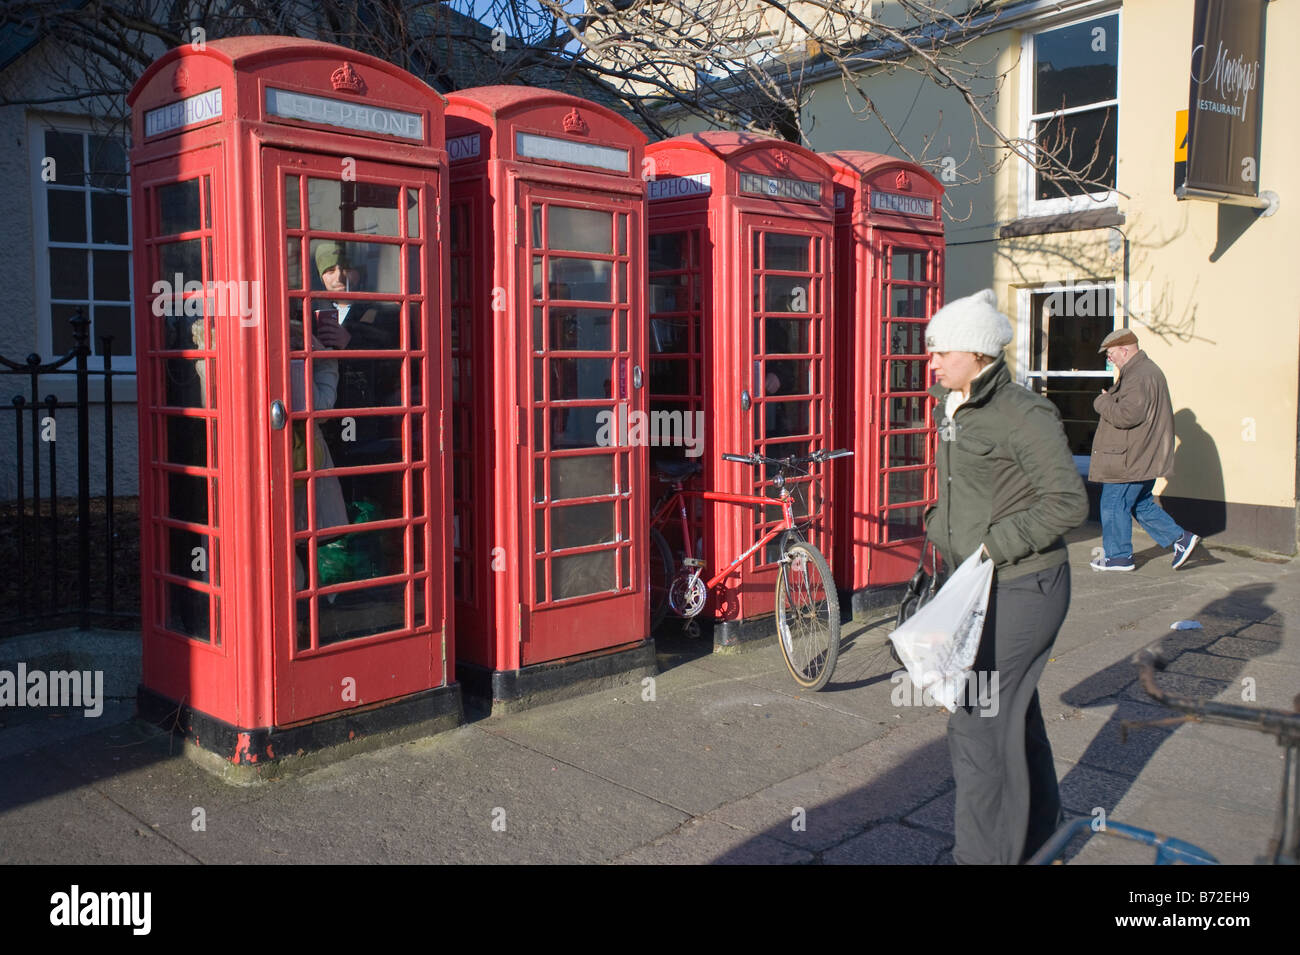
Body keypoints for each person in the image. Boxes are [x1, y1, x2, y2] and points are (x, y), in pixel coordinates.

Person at [923, 288, 1089, 864]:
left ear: (977, 353)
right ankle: (1045, 838)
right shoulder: (955, 405)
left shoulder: (1022, 411)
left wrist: (993, 546)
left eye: (941, 351)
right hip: (977, 585)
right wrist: (937, 529)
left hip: (1026, 585)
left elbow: (1067, 502)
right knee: (1014, 716)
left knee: (976, 722)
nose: (932, 362)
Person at [1088, 329, 1200, 571]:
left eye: (1110, 353)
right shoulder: (1144, 372)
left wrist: (1103, 401)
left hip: (1130, 458)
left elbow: (1127, 415)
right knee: (1141, 504)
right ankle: (1181, 539)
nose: (1109, 359)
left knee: (1113, 504)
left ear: (1124, 350)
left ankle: (1118, 557)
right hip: (1139, 456)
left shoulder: (1139, 376)